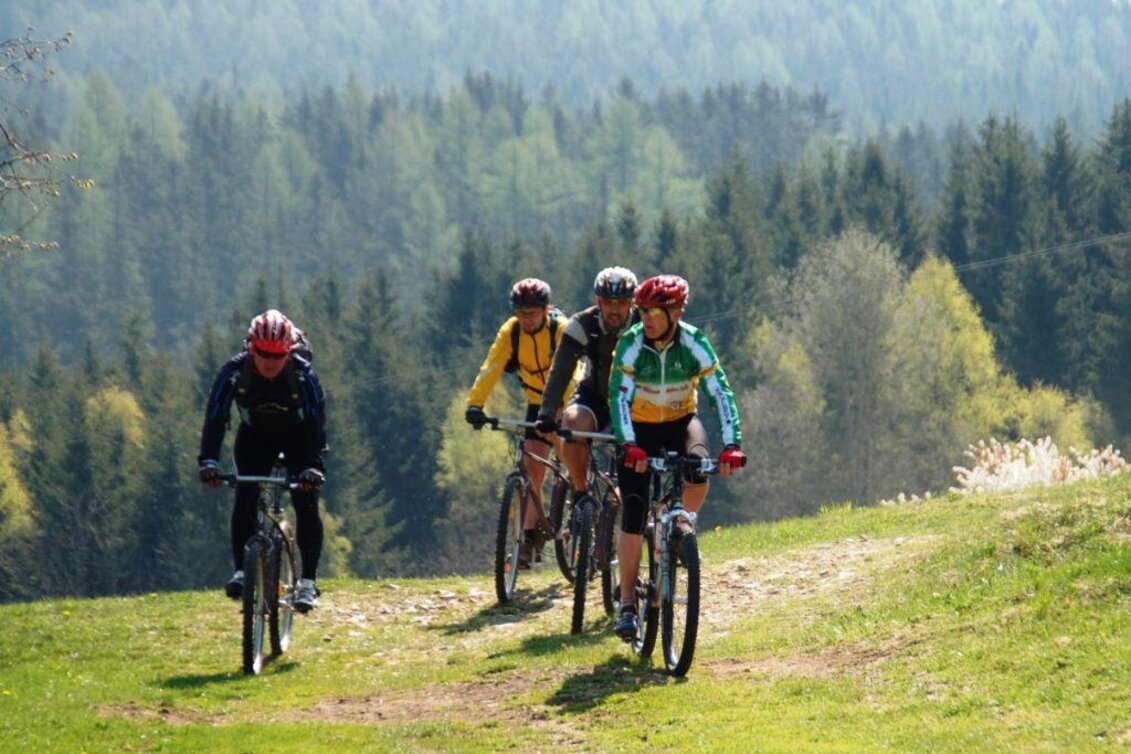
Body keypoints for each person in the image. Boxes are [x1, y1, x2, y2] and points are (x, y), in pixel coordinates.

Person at [607, 275, 746, 639]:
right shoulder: (631, 343)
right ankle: (626, 604)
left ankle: (681, 521)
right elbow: (619, 397)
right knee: (634, 511)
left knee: (699, 469)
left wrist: (732, 445)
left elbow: (721, 392)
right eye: (643, 311)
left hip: (681, 422)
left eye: (656, 311)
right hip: (639, 430)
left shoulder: (694, 343)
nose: (647, 318)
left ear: (676, 312)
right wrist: (627, 444)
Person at [198, 309, 328, 613]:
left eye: (277, 355)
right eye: (263, 354)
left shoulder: (303, 375)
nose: (270, 362)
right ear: (251, 348)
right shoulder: (233, 372)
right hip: (255, 437)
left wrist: (314, 466)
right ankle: (242, 573)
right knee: (245, 495)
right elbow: (216, 418)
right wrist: (208, 461)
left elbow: (317, 425)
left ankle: (308, 582)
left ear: (289, 351)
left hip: (299, 440)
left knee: (306, 502)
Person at [465, 277, 569, 567]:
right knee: (530, 466)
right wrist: (475, 404)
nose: (526, 318)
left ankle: (581, 512)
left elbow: (573, 371)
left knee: (570, 458)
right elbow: (492, 366)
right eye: (521, 312)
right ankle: (526, 538)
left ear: (546, 310)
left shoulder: (560, 329)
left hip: (565, 398)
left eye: (533, 313)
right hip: (536, 402)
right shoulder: (510, 333)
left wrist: (565, 410)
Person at [535, 266, 638, 505]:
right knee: (571, 424)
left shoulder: (645, 325)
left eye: (621, 303)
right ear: (598, 300)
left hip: (636, 402)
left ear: (632, 302)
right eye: (608, 302)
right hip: (594, 397)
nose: (614, 309)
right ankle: (582, 494)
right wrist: (547, 412)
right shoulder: (582, 324)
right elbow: (560, 372)